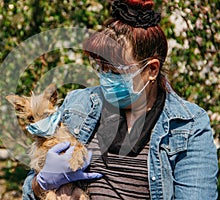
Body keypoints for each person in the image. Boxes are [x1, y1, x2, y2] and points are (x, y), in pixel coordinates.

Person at [22, 0, 218, 199]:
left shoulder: (188, 125)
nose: (106, 77)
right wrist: (43, 182)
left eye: (116, 71)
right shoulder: (77, 104)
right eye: (101, 67)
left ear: (152, 70)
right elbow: (31, 191)